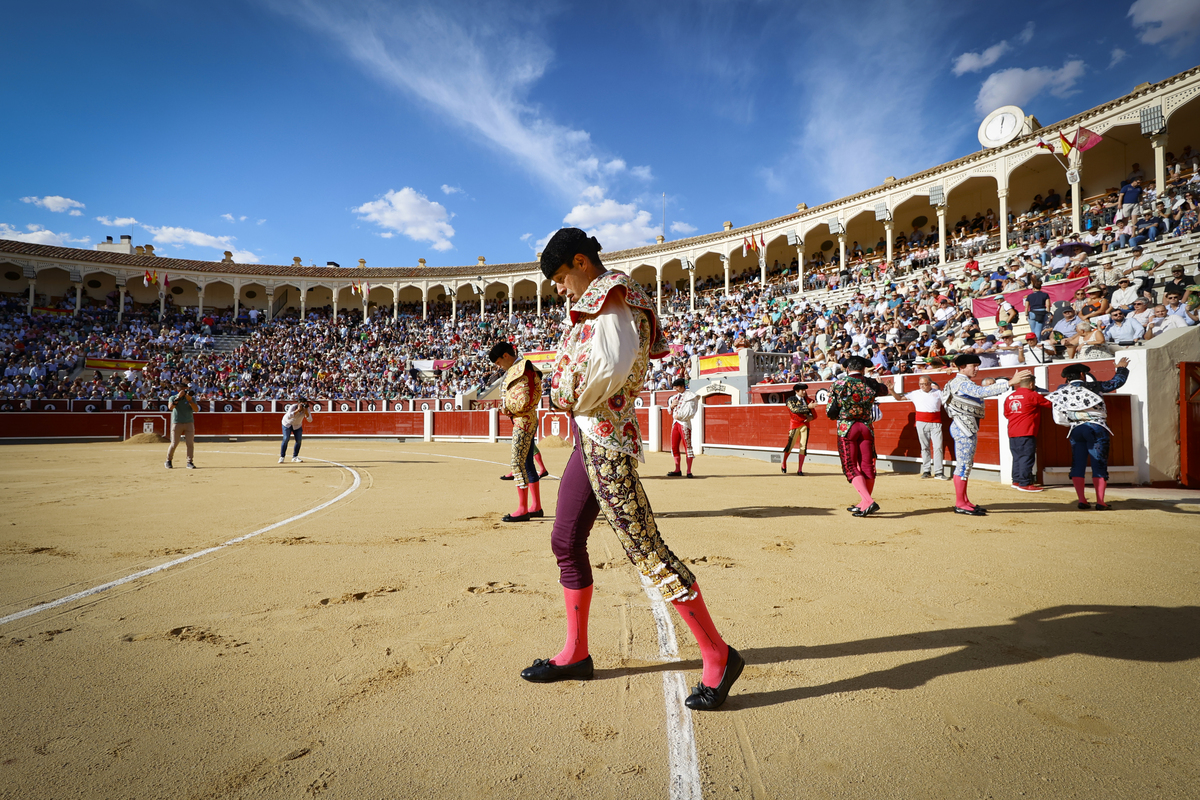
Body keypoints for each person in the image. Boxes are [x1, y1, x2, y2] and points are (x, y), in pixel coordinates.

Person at [525, 228, 742, 711]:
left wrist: (563, 396)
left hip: (604, 438)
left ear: (582, 262)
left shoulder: (612, 297)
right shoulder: (605, 299)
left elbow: (611, 366)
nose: (560, 290)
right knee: (565, 540)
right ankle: (576, 653)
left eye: (561, 277)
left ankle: (717, 653)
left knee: (647, 549)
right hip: (591, 437)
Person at [942, 355, 1031, 515]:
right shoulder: (961, 382)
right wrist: (1009, 382)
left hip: (964, 425)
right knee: (963, 465)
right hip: (964, 427)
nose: (977, 369)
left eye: (978, 365)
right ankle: (960, 503)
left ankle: (964, 500)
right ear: (962, 366)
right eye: (973, 365)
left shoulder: (956, 382)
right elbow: (981, 392)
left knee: (965, 465)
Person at [1047, 359, 1130, 510]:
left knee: (1078, 464)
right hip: (1096, 427)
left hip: (1076, 429)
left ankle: (1082, 500)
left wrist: (1073, 421)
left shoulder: (1061, 389)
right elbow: (1116, 383)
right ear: (1081, 374)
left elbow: (1059, 418)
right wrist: (1121, 369)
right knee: (1099, 463)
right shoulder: (1094, 386)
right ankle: (1100, 502)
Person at [827, 356, 889, 517]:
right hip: (867, 428)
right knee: (867, 465)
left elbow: (831, 412)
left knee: (850, 466)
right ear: (863, 370)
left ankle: (867, 501)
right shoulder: (870, 384)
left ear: (848, 369)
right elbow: (885, 390)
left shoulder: (839, 384)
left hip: (847, 427)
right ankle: (864, 503)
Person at [489, 341, 544, 522]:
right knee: (527, 463)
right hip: (525, 419)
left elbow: (524, 400)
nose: (499, 367)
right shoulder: (523, 367)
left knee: (517, 463)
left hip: (523, 420)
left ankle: (523, 509)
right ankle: (535, 506)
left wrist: (509, 409)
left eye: (498, 363)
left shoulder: (521, 368)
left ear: (506, 355)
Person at [888, 374, 946, 480]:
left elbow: (948, 403)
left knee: (938, 447)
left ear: (930, 384)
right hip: (921, 423)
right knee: (925, 447)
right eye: (920, 384)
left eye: (924, 384)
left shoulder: (938, 393)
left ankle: (938, 472)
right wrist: (892, 390)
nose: (922, 386)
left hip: (936, 422)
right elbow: (899, 398)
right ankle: (927, 470)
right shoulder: (915, 393)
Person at [1003, 373, 1052, 492]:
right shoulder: (1032, 395)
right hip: (1026, 431)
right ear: (1031, 384)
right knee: (1026, 457)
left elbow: (1007, 414)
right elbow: (1050, 404)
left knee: (1017, 457)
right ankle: (1024, 483)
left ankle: (1016, 480)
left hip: (1013, 431)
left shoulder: (1010, 397)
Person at [667, 377, 700, 477]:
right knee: (674, 446)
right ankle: (677, 470)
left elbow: (691, 411)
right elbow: (669, 410)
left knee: (687, 447)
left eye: (677, 387)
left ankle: (689, 471)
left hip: (684, 423)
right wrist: (672, 406)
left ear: (682, 386)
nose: (675, 389)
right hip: (675, 423)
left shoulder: (691, 396)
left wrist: (680, 416)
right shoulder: (675, 397)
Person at [781, 382, 814, 475]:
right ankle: (784, 463)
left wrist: (811, 416)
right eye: (802, 390)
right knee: (790, 445)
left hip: (805, 424)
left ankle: (800, 469)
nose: (804, 392)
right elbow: (794, 409)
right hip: (795, 424)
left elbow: (812, 412)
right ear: (797, 391)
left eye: (805, 390)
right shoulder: (790, 400)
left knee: (803, 446)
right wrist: (808, 407)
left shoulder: (807, 400)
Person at [165, 381, 199, 470]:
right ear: (179, 390)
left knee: (190, 443)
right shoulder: (173, 398)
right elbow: (171, 408)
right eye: (184, 390)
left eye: (186, 390)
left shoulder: (191, 398)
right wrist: (178, 397)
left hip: (189, 422)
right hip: (177, 422)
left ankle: (189, 462)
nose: (186, 392)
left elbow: (196, 410)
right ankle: (168, 461)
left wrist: (190, 401)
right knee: (174, 443)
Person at [279, 398, 312, 463]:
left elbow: (310, 420)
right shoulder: (293, 407)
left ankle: (295, 457)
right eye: (302, 404)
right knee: (286, 439)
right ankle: (282, 457)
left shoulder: (307, 409)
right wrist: (297, 410)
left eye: (305, 404)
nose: (304, 405)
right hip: (287, 424)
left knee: (299, 440)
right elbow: (288, 416)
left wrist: (306, 413)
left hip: (297, 425)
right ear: (299, 403)